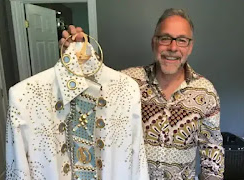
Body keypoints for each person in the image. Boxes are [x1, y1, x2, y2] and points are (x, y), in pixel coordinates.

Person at [61, 8, 224, 180]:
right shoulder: (128, 82)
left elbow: (212, 153)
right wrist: (77, 54)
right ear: (154, 42)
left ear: (190, 47)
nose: (173, 47)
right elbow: (93, 86)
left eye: (181, 40)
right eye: (165, 38)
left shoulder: (206, 93)